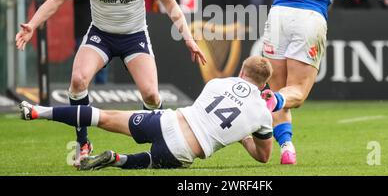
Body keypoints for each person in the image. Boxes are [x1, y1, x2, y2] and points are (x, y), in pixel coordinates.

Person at [15, 0, 207, 166]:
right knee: (77, 81)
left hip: (135, 36)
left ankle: (156, 138)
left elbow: (169, 3)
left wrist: (189, 38)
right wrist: (32, 25)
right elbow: (56, 0)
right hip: (101, 35)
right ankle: (83, 142)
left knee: (151, 94)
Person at [254, 0, 371, 165]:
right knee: (295, 92)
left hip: (280, 13)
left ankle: (286, 147)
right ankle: (274, 104)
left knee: (278, 88)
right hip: (309, 17)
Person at [19, 56, 273, 170]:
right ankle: (117, 159)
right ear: (263, 85)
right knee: (153, 162)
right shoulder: (262, 113)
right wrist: (245, 134)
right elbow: (263, 157)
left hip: (168, 120)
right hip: (183, 150)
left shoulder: (218, 83)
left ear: (241, 72)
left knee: (102, 116)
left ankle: (38, 111)